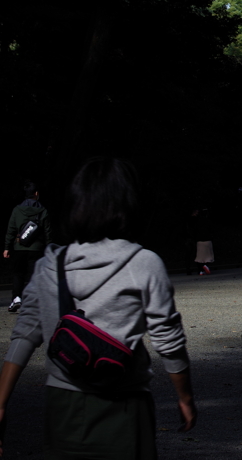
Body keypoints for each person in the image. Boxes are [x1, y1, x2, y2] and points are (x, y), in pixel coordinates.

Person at [0, 157, 197, 458]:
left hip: (62, 408)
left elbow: (25, 334)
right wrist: (185, 397)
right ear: (129, 204)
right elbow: (168, 342)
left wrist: (1, 403)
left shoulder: (50, 265)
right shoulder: (144, 264)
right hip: (124, 406)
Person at [5, 181, 52, 313]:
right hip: (36, 248)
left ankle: (16, 299)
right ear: (36, 194)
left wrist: (7, 247)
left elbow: (11, 229)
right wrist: (49, 248)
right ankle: (33, 303)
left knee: (18, 274)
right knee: (33, 275)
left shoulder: (17, 210)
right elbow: (47, 231)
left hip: (19, 247)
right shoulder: (43, 210)